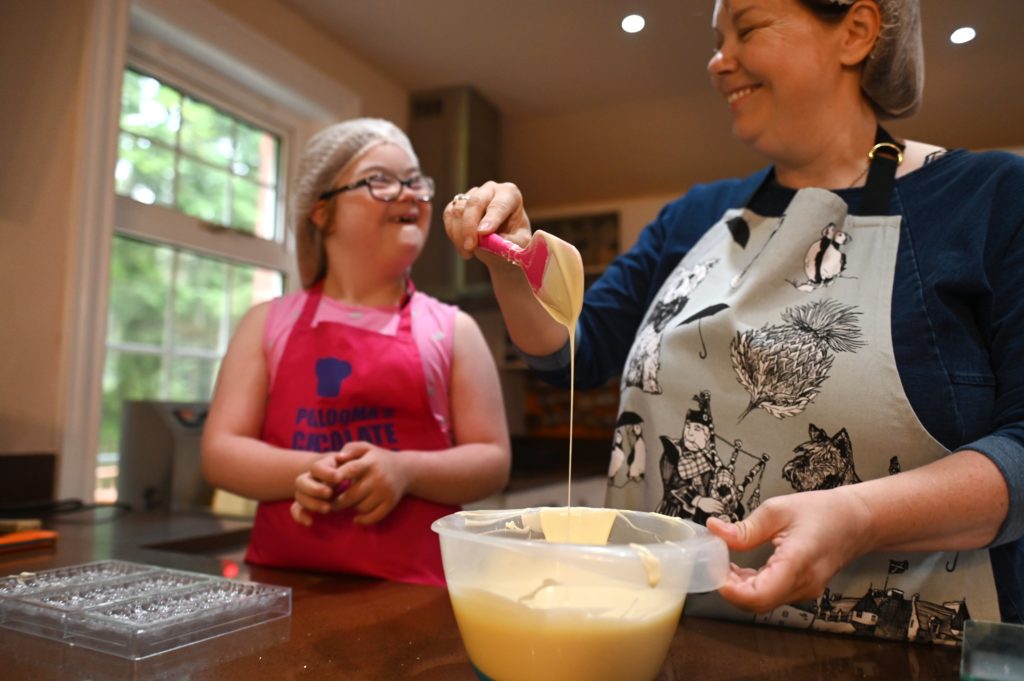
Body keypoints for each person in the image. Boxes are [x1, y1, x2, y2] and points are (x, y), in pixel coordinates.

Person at [442, 0, 1024, 642]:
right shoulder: (692, 218)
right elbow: (569, 354)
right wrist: (509, 261)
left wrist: (858, 515)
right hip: (656, 638)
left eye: (747, 28)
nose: (719, 62)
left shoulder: (987, 198)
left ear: (856, 32)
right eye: (717, 40)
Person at [202, 118, 511, 586]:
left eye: (414, 181)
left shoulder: (452, 329)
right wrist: (308, 469)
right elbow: (221, 451)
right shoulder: (267, 324)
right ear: (320, 212)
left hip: (416, 594)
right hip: (284, 588)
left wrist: (404, 470)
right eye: (381, 181)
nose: (409, 193)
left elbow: (492, 459)